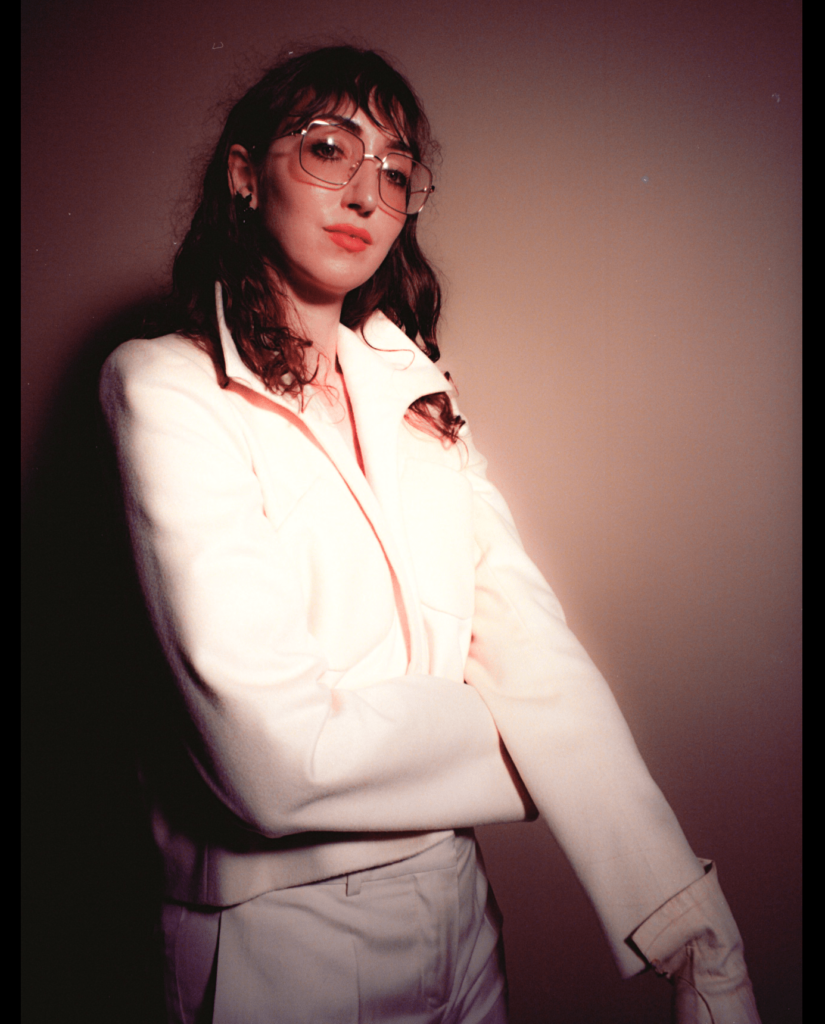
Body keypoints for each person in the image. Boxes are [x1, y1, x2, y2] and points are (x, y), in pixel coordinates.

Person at [100, 44, 761, 1024]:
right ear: (243, 174)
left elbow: (530, 644)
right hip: (282, 935)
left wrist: (693, 932)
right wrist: (539, 752)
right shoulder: (164, 385)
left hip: (459, 907)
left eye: (396, 170)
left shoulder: (413, 389)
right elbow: (277, 762)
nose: (366, 194)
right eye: (328, 148)